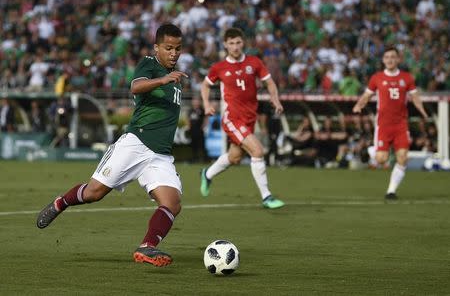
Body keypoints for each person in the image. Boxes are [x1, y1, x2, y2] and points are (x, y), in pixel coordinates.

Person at [36, 24, 188, 267]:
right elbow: (135, 87)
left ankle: (147, 247)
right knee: (94, 193)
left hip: (160, 155)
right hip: (135, 143)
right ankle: (60, 203)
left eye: (178, 48)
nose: (174, 53)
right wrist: (162, 80)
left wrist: (168, 80)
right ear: (156, 47)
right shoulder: (149, 65)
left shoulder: (176, 78)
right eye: (168, 48)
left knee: (173, 203)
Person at [199, 27, 285, 209]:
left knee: (234, 157)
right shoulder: (219, 67)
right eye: (231, 43)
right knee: (258, 151)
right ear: (225, 45)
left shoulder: (254, 63)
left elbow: (269, 82)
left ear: (243, 42)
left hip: (249, 118)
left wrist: (275, 100)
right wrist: (207, 104)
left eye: (238, 42)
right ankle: (266, 197)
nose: (235, 47)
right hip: (232, 118)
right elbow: (205, 86)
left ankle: (207, 174)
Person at [352, 46, 428, 200]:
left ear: (398, 59)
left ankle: (391, 191)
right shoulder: (377, 77)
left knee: (402, 157)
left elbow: (415, 97)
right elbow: (367, 95)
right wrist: (359, 105)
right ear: (383, 60)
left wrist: (423, 110)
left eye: (393, 57)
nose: (390, 60)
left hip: (401, 125)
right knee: (381, 159)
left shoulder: (407, 78)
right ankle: (370, 151)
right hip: (383, 125)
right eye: (387, 57)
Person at [187, 97, 206, 162]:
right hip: (192, 130)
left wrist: (203, 126)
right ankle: (194, 158)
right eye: (194, 102)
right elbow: (188, 119)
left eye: (197, 102)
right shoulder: (190, 110)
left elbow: (205, 118)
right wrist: (189, 127)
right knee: (193, 145)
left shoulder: (202, 110)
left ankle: (204, 158)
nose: (196, 103)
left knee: (201, 145)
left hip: (199, 130)